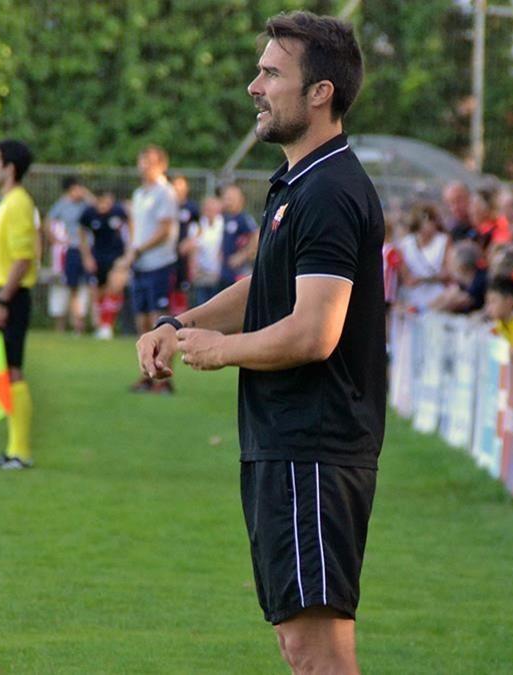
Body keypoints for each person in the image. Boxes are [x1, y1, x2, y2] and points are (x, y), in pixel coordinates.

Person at [135, 13, 383, 672]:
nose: (255, 85)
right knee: (301, 643)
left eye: (272, 72)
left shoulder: (329, 189)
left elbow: (314, 330)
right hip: (289, 442)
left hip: (313, 445)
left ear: (320, 92)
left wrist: (224, 351)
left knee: (315, 652)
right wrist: (182, 325)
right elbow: (265, 288)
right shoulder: (300, 182)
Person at [0, 139, 38, 470]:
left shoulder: (17, 203)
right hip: (0, 293)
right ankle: (13, 448)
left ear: (9, 168)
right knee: (3, 369)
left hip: (11, 295)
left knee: (13, 370)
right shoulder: (5, 203)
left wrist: (2, 300)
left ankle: (20, 451)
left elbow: (23, 259)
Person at [128, 145, 181, 393]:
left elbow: (164, 230)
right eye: (142, 160)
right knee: (141, 321)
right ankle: (148, 375)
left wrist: (138, 249)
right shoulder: (140, 193)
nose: (144, 165)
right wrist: (131, 252)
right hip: (140, 265)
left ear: (162, 165)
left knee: (158, 321)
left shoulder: (165, 192)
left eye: (150, 161)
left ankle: (164, 379)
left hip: (159, 264)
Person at [79, 188, 129, 340]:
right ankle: (102, 325)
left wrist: (128, 252)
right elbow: (82, 235)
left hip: (116, 255)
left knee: (114, 287)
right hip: (98, 256)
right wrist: (87, 257)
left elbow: (131, 226)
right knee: (99, 291)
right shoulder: (88, 214)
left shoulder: (119, 211)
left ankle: (107, 325)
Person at [48, 176, 92, 334]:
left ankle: (90, 324)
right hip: (72, 249)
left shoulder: (86, 204)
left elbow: (100, 208)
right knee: (72, 287)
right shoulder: (62, 205)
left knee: (89, 286)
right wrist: (55, 240)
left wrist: (87, 195)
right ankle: (76, 325)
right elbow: (48, 221)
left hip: (88, 249)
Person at [396, 203, 449, 312]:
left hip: (437, 295)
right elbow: (405, 275)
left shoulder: (443, 241)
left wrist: (423, 279)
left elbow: (447, 272)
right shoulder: (406, 243)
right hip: (411, 297)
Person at [184, 195, 226, 308]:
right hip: (201, 274)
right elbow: (188, 249)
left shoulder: (223, 225)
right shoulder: (197, 227)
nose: (210, 212)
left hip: (218, 274)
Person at [219, 184, 260, 291]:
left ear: (241, 200)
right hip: (225, 271)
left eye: (231, 199)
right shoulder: (225, 218)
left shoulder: (244, 218)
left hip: (239, 273)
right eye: (226, 198)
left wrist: (242, 255)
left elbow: (256, 236)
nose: (228, 202)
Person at [429, 240, 486, 314]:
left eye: (451, 261)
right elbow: (445, 296)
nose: (448, 265)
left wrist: (432, 309)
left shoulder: (480, 280)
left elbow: (456, 303)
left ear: (462, 265)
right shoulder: (463, 280)